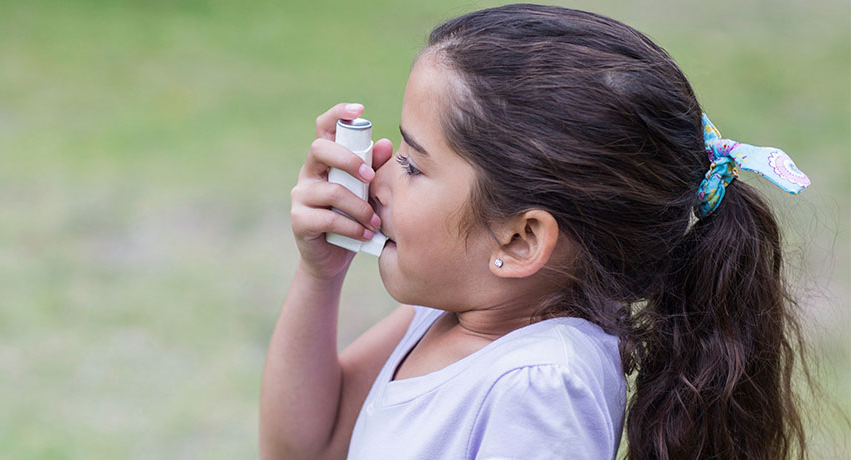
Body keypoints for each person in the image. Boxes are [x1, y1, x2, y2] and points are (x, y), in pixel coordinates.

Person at [260, 4, 812, 459]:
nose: (376, 178)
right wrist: (321, 273)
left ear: (521, 240)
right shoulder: (453, 312)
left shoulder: (540, 387)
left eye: (412, 164)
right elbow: (307, 448)